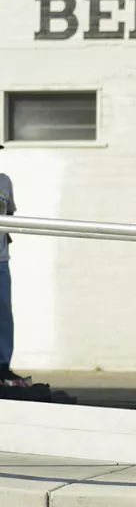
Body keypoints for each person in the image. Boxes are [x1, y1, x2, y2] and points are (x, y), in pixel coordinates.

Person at [0, 155, 29, 387]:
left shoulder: (4, 181)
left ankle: (2, 365)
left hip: (0, 259)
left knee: (3, 311)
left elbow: (9, 213)